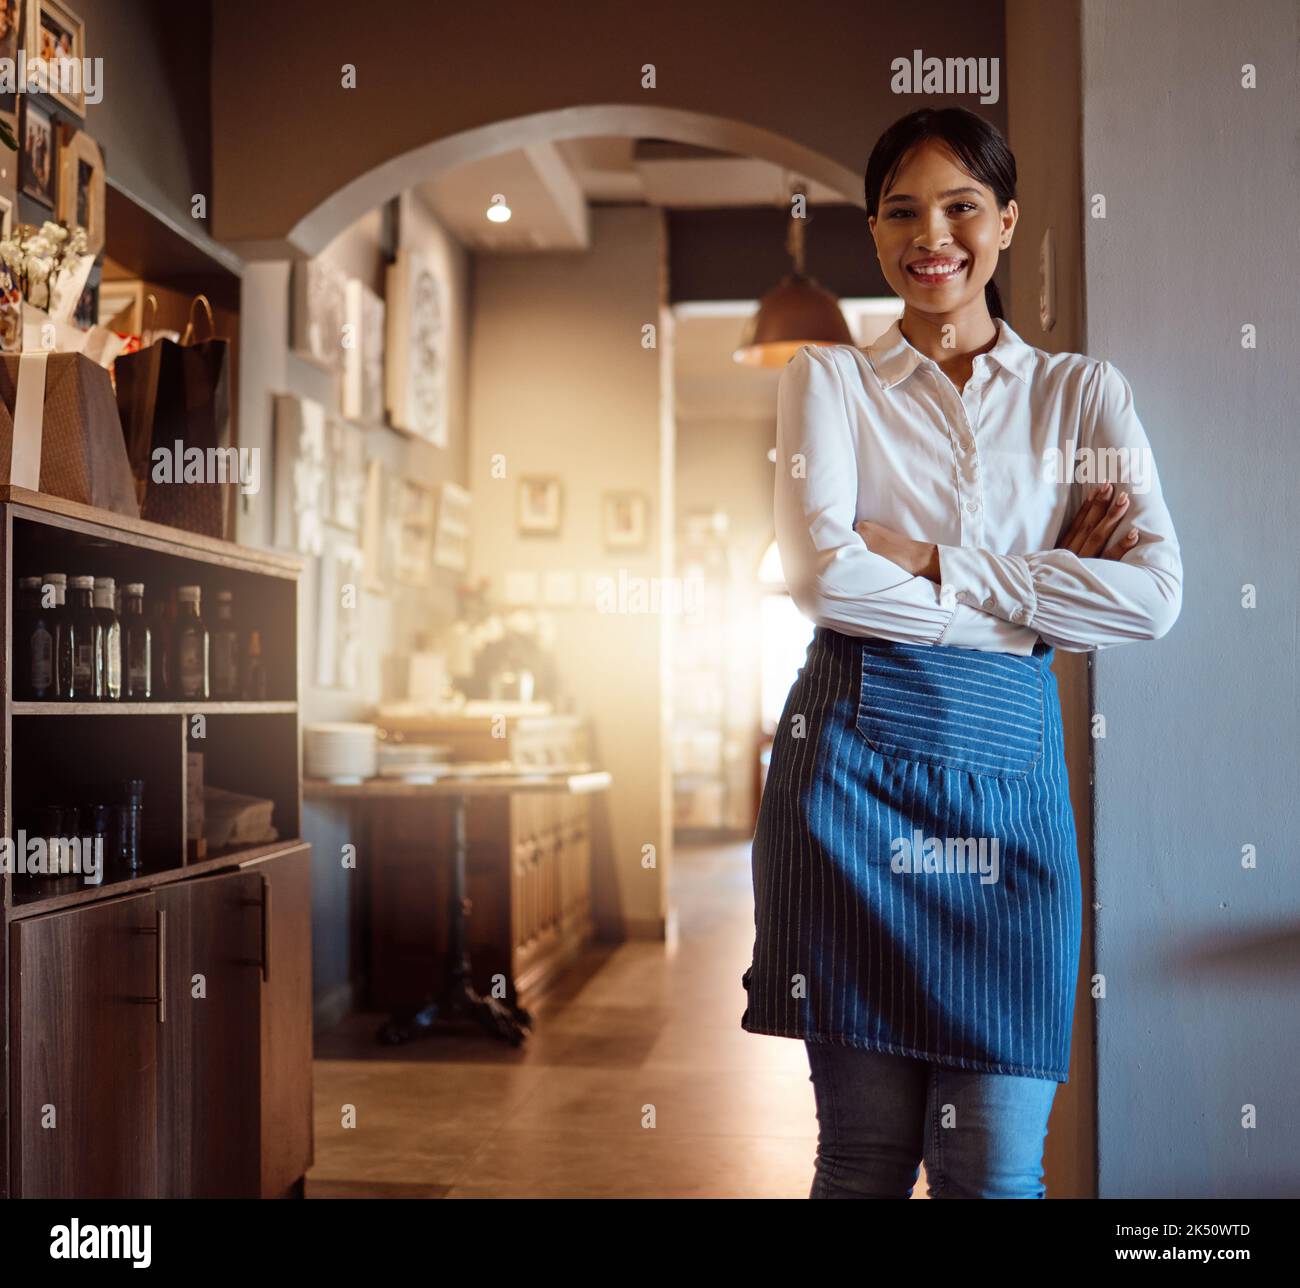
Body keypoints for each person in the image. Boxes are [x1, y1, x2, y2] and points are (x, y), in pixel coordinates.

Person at [740, 106, 1183, 1199]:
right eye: (900, 212)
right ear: (876, 233)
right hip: (848, 790)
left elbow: (1155, 599)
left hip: (1010, 802)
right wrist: (1034, 605)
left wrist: (938, 562)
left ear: (1006, 223)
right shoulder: (829, 382)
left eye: (959, 207)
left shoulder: (1084, 394)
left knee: (992, 1168)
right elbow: (824, 581)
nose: (929, 234)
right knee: (863, 1164)